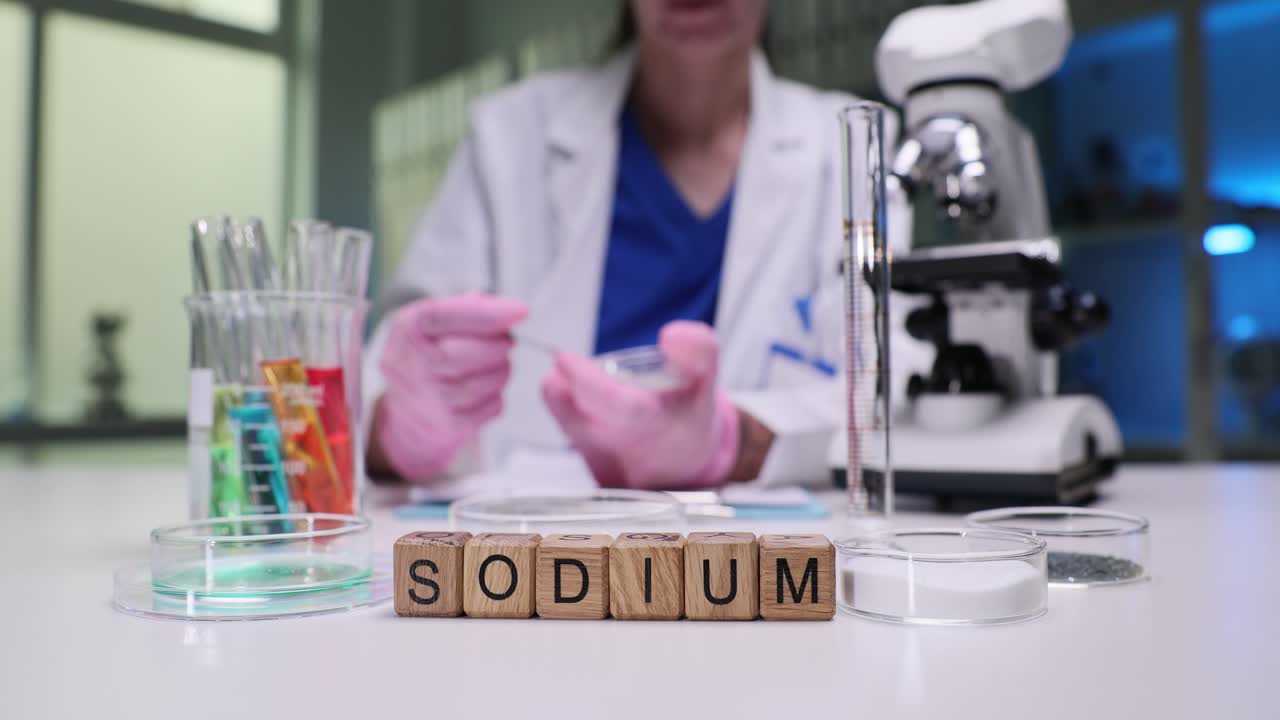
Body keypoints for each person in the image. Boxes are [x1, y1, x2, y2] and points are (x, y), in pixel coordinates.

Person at [364, 0, 908, 489]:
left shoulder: (849, 151)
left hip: (738, 564)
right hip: (524, 551)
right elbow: (369, 395)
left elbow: (900, 394)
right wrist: (398, 425)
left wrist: (728, 442)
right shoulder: (509, 138)